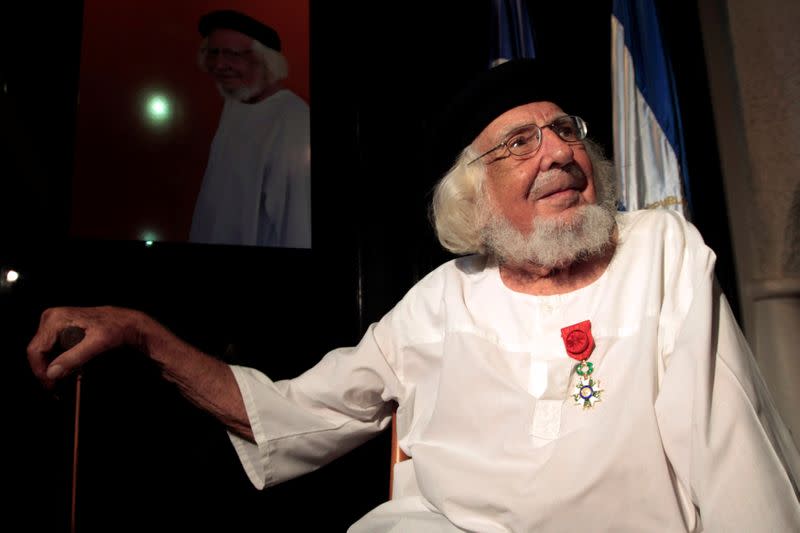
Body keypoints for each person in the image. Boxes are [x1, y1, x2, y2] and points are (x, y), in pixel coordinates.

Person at [27, 58, 800, 531]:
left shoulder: (658, 253)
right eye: (521, 142)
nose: (561, 151)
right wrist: (141, 332)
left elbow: (735, 460)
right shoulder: (435, 304)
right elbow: (289, 414)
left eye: (565, 129)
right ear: (476, 195)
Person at [189, 9, 311, 249]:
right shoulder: (235, 103)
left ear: (266, 60)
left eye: (233, 55)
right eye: (213, 53)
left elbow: (297, 226)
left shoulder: (293, 119)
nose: (219, 65)